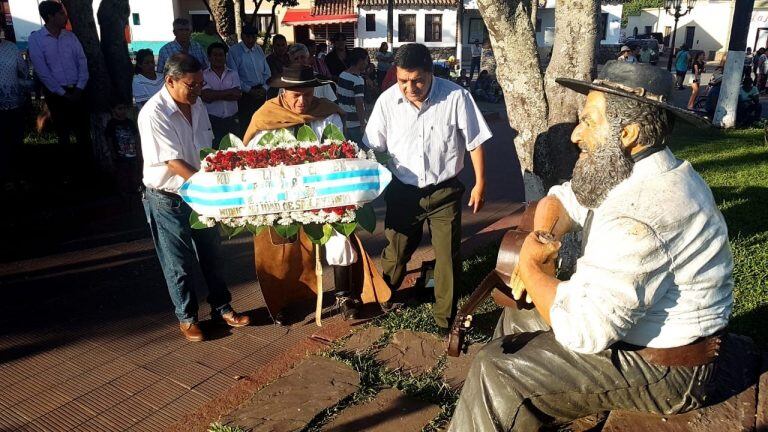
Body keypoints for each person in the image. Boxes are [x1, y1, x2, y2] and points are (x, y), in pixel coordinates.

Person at [449, 61, 745, 432]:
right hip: (634, 334)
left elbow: (583, 330)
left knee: (497, 370)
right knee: (517, 316)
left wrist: (533, 266)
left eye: (589, 121)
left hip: (666, 371)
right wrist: (541, 238)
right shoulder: (635, 167)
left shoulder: (641, 213)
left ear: (628, 133)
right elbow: (562, 200)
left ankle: (497, 405)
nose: (576, 134)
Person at [364, 43, 491, 330]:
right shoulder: (386, 102)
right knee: (397, 251)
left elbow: (475, 141)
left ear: (431, 73)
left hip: (444, 192)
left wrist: (480, 183)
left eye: (417, 80)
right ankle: (383, 295)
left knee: (447, 255)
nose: (410, 87)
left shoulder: (456, 97)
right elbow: (372, 148)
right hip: (402, 191)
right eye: (402, 80)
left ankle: (445, 319)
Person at [139, 53, 250, 342]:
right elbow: (173, 161)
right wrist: (212, 188)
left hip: (199, 192)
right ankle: (187, 318)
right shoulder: (153, 113)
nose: (199, 90)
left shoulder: (196, 102)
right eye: (193, 85)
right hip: (168, 197)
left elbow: (206, 149)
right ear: (170, 81)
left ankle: (222, 308)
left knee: (212, 254)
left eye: (201, 83)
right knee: (178, 263)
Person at [241, 65, 352, 324]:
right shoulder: (266, 116)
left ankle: (345, 296)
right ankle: (282, 302)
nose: (303, 102)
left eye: (308, 95)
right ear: (283, 93)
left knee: (339, 238)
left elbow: (339, 150)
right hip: (281, 196)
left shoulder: (327, 113)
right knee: (280, 247)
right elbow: (253, 158)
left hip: (323, 191)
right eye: (296, 96)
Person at [28, 1, 91, 163]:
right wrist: (63, 93)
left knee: (83, 132)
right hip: (56, 94)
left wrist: (79, 88)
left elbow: (82, 62)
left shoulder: (70, 37)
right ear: (50, 16)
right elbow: (43, 72)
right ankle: (68, 170)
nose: (65, 16)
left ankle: (88, 169)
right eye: (61, 13)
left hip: (78, 90)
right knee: (63, 134)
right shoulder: (37, 39)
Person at [226, 25, 270, 136]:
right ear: (242, 36)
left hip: (261, 92)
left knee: (263, 124)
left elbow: (267, 73)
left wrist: (264, 88)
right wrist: (249, 90)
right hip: (245, 95)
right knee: (246, 126)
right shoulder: (234, 51)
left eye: (253, 37)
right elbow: (234, 76)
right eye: (248, 37)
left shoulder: (258, 49)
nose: (250, 40)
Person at [0, 25, 28, 189]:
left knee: (16, 141)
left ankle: (19, 175)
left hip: (15, 104)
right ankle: (5, 177)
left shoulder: (11, 47)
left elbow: (23, 71)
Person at [201, 42, 241, 147]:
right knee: (214, 151)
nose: (218, 58)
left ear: (225, 57)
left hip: (232, 120)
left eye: (221, 55)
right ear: (209, 57)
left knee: (235, 151)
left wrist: (215, 95)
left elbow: (237, 95)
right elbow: (206, 96)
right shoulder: (203, 75)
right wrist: (229, 92)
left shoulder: (233, 73)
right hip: (212, 121)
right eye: (215, 55)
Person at [105, 101, 141, 207]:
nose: (123, 111)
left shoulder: (130, 122)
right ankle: (124, 196)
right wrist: (112, 153)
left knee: (134, 175)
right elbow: (109, 139)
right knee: (122, 176)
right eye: (119, 108)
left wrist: (138, 151)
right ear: (113, 110)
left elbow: (136, 137)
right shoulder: (111, 124)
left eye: (124, 108)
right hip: (120, 157)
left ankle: (134, 195)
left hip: (133, 155)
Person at [338, 48, 370, 143]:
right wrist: (363, 124)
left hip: (344, 121)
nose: (367, 63)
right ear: (360, 61)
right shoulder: (358, 80)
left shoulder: (342, 75)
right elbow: (359, 103)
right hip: (356, 123)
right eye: (366, 60)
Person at [266, 34, 289, 99]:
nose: (281, 48)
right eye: (278, 45)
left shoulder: (290, 58)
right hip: (274, 94)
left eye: (283, 45)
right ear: (273, 46)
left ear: (286, 45)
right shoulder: (269, 60)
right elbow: (274, 78)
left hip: (289, 93)